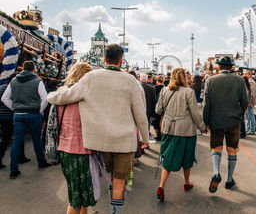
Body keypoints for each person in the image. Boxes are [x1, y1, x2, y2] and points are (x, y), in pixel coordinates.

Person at [47, 44, 149, 214]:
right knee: (119, 181)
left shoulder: (92, 77)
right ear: (121, 61)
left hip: (101, 141)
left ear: (104, 59)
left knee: (108, 177)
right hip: (124, 141)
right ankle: (115, 211)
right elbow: (140, 114)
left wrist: (50, 96)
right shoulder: (130, 80)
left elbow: (68, 95)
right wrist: (145, 138)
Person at [155, 68, 206, 202]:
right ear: (184, 78)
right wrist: (202, 126)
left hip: (167, 129)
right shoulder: (188, 92)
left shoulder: (164, 90)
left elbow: (158, 110)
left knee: (168, 157)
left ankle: (161, 186)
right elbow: (195, 113)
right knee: (186, 157)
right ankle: (187, 182)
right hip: (185, 130)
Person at [55, 62, 96, 214]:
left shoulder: (61, 93)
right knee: (81, 197)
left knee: (75, 194)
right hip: (85, 150)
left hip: (65, 149)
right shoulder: (87, 95)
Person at [203, 56, 248, 192]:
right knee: (231, 149)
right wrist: (239, 114)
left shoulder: (210, 80)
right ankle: (229, 180)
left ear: (219, 67)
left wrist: (206, 121)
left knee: (216, 147)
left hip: (216, 120)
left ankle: (216, 172)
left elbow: (206, 104)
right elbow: (244, 101)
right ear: (231, 67)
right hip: (233, 121)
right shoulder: (239, 80)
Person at [1, 61, 50, 179]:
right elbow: (45, 99)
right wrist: (40, 110)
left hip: (18, 115)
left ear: (23, 69)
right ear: (34, 70)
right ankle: (41, 162)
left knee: (17, 141)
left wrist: (14, 108)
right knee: (36, 140)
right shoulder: (38, 81)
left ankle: (13, 170)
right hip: (33, 114)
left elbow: (4, 98)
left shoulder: (14, 81)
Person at [0, 73, 29, 169]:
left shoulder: (1, 88)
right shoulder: (15, 88)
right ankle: (21, 157)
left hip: (2, 117)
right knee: (19, 137)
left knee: (5, 139)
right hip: (13, 116)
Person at [140, 74, 156, 149]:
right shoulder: (152, 88)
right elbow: (153, 102)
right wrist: (153, 114)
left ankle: (140, 143)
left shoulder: (137, 87)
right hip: (148, 110)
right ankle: (146, 143)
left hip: (139, 109)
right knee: (147, 126)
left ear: (140, 79)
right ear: (146, 80)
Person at [244, 70, 256, 135]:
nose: (244, 75)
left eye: (246, 74)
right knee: (248, 116)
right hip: (247, 101)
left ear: (249, 75)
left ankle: (252, 129)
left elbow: (253, 93)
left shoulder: (252, 82)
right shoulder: (248, 82)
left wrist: (251, 102)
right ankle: (248, 128)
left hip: (250, 102)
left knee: (251, 116)